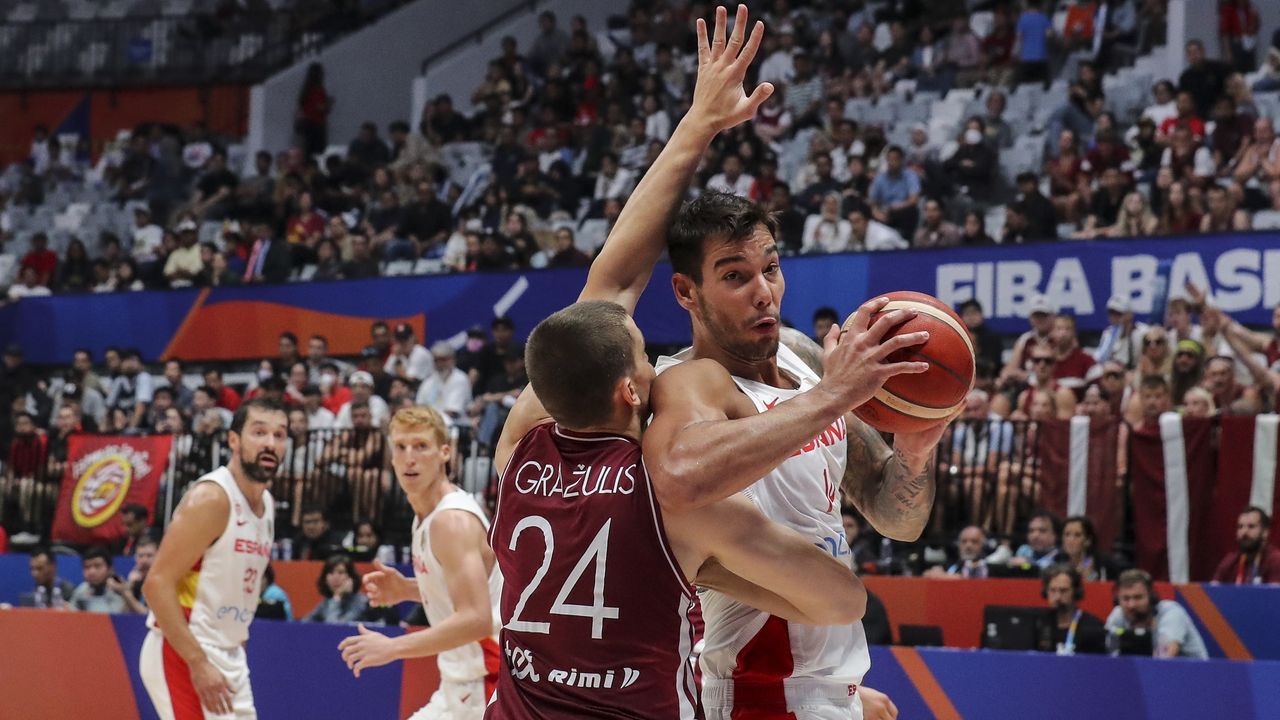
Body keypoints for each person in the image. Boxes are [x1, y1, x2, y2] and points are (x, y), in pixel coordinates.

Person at [487, 9, 869, 718]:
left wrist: (698, 124)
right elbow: (841, 598)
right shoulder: (673, 504)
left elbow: (605, 292)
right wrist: (719, 573)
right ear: (633, 393)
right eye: (647, 362)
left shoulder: (518, 447)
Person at [638, 16, 955, 720]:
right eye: (734, 275)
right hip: (748, 689)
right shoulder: (685, 386)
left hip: (820, 686)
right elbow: (683, 475)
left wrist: (918, 443)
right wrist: (839, 395)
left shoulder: (807, 361)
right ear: (686, 293)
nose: (764, 291)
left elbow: (894, 516)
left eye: (771, 268)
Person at [339, 406, 502, 719]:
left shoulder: (451, 522)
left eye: (421, 446)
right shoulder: (426, 516)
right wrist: (411, 589)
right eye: (401, 447)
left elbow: (476, 618)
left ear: (444, 452)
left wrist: (393, 647)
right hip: (459, 685)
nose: (410, 457)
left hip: (487, 683)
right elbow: (473, 588)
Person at [141, 398, 285, 719]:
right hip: (185, 650)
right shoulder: (212, 499)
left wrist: (235, 646)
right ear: (234, 440)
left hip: (228, 654)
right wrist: (198, 662)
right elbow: (156, 584)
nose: (270, 444)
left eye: (279, 435)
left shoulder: (267, 505)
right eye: (259, 433)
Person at [1105, 569, 1209, 659]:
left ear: (1151, 597)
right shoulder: (1118, 614)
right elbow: (1108, 652)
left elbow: (1164, 657)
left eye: (1138, 598)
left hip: (1193, 676)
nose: (1131, 605)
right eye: (1126, 599)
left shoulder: (1171, 612)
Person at [1038, 565, 1106, 655]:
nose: (1057, 597)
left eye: (1063, 590)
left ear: (1076, 591)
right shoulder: (1038, 623)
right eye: (1052, 590)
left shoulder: (1094, 627)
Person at [1212, 506, 1280, 585]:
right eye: (1240, 527)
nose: (1244, 532)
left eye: (1251, 526)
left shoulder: (1275, 560)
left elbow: (1275, 595)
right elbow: (1212, 592)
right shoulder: (1230, 562)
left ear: (1265, 532)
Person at [304, 555, 375, 624]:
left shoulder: (361, 602)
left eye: (341, 572)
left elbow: (335, 628)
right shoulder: (327, 601)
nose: (335, 578)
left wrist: (337, 597)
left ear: (351, 577)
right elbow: (304, 625)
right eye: (330, 573)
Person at [70, 545, 130, 614]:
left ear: (110, 569)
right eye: (87, 567)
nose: (92, 572)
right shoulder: (81, 590)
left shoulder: (120, 590)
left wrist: (125, 593)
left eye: (97, 566)